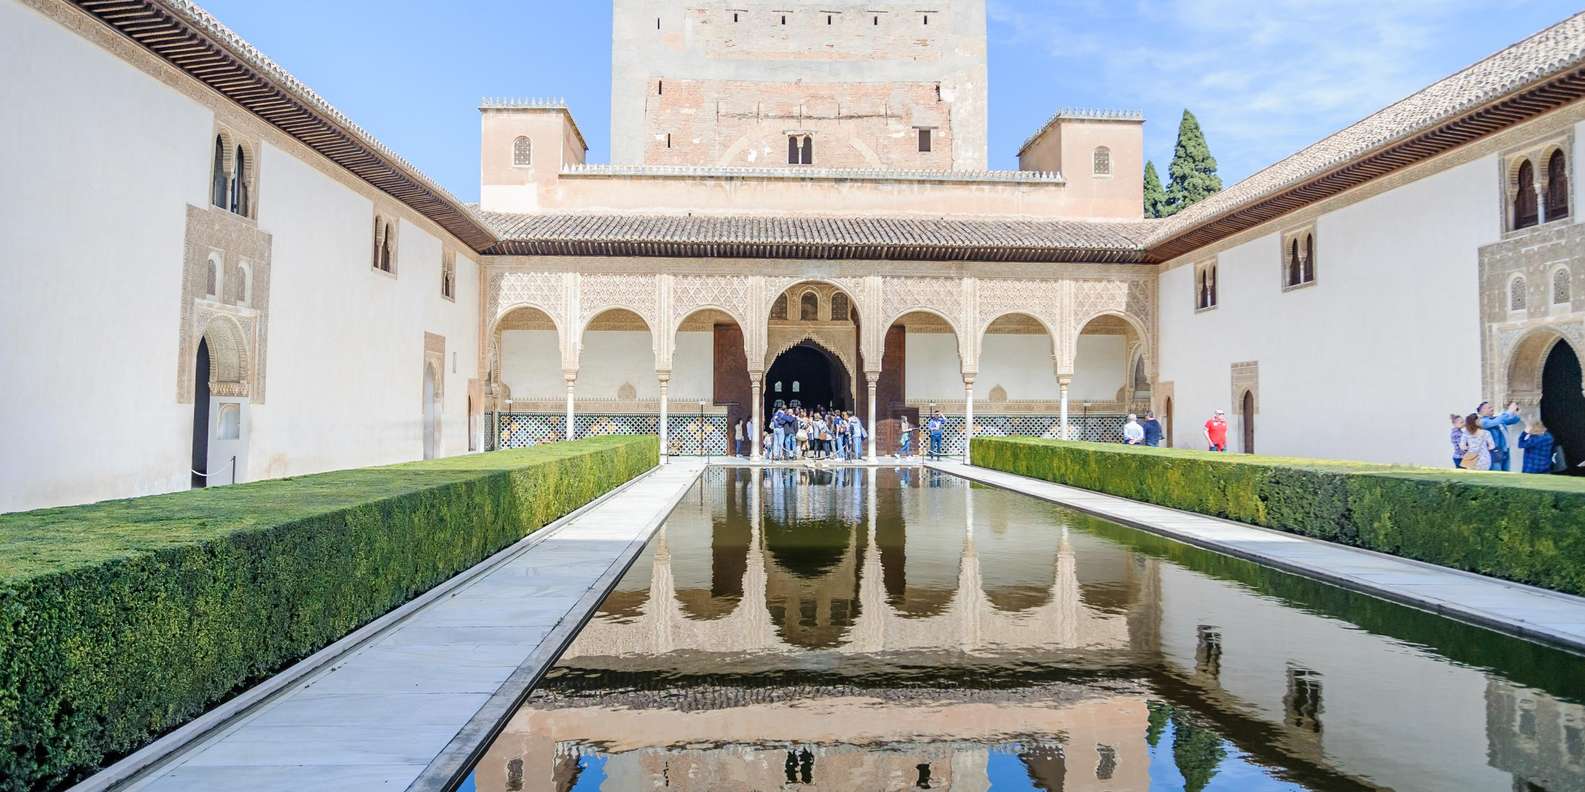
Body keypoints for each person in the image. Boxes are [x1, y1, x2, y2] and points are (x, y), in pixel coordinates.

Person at [1477, 401, 1522, 471]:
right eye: (1489, 407)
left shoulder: (1497, 418)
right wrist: (1509, 411)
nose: (1492, 408)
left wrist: (1516, 412)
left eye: (1491, 407)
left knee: (1506, 474)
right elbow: (1496, 421)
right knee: (1496, 474)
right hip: (1495, 452)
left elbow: (1513, 420)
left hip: (1505, 450)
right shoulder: (1483, 421)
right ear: (1481, 411)